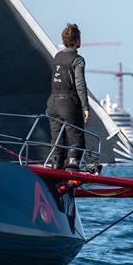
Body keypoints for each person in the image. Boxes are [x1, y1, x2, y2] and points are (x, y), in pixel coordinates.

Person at [46, 23, 90, 170]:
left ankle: (54, 171)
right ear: (76, 40)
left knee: (57, 140)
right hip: (69, 104)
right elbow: (80, 85)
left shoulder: (56, 57)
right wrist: (85, 107)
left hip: (52, 103)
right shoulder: (78, 59)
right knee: (76, 140)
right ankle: (71, 171)